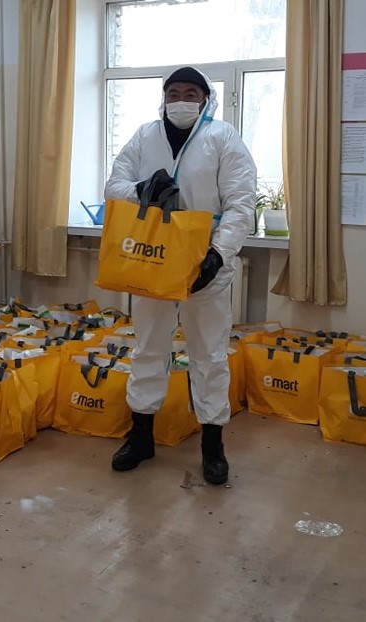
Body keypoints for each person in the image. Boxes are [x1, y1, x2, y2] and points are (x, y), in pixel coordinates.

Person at [104, 66, 257, 485]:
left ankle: (213, 445)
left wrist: (218, 255)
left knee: (209, 354)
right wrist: (141, 188)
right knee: (148, 348)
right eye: (174, 93)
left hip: (206, 264)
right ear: (164, 98)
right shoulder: (145, 136)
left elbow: (241, 203)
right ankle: (141, 436)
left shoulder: (222, 138)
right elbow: (113, 186)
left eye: (191, 93)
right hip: (152, 261)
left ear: (206, 98)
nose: (181, 100)